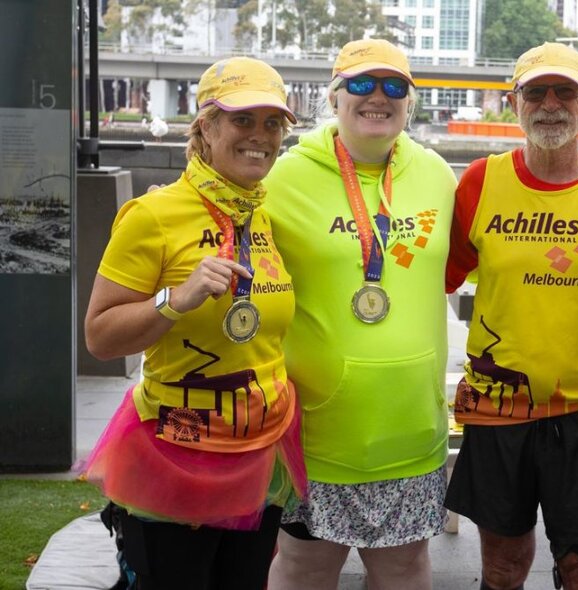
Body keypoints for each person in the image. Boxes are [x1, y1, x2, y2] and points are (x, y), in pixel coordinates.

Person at [82, 57, 306, 590]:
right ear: (205, 126)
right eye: (242, 120)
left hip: (260, 448)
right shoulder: (153, 215)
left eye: (272, 123)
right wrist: (174, 300)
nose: (260, 136)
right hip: (176, 452)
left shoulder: (263, 214)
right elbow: (99, 337)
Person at [444, 42, 578, 590]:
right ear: (515, 102)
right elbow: (435, 280)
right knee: (503, 568)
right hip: (498, 408)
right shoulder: (480, 183)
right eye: (535, 91)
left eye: (565, 91)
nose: (550, 104)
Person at [263, 39, 457, 590]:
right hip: (319, 433)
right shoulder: (285, 176)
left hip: (410, 430)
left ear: (411, 101)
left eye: (394, 86)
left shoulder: (437, 176)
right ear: (334, 95)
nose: (378, 97)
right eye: (362, 85)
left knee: (403, 571)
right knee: (304, 568)